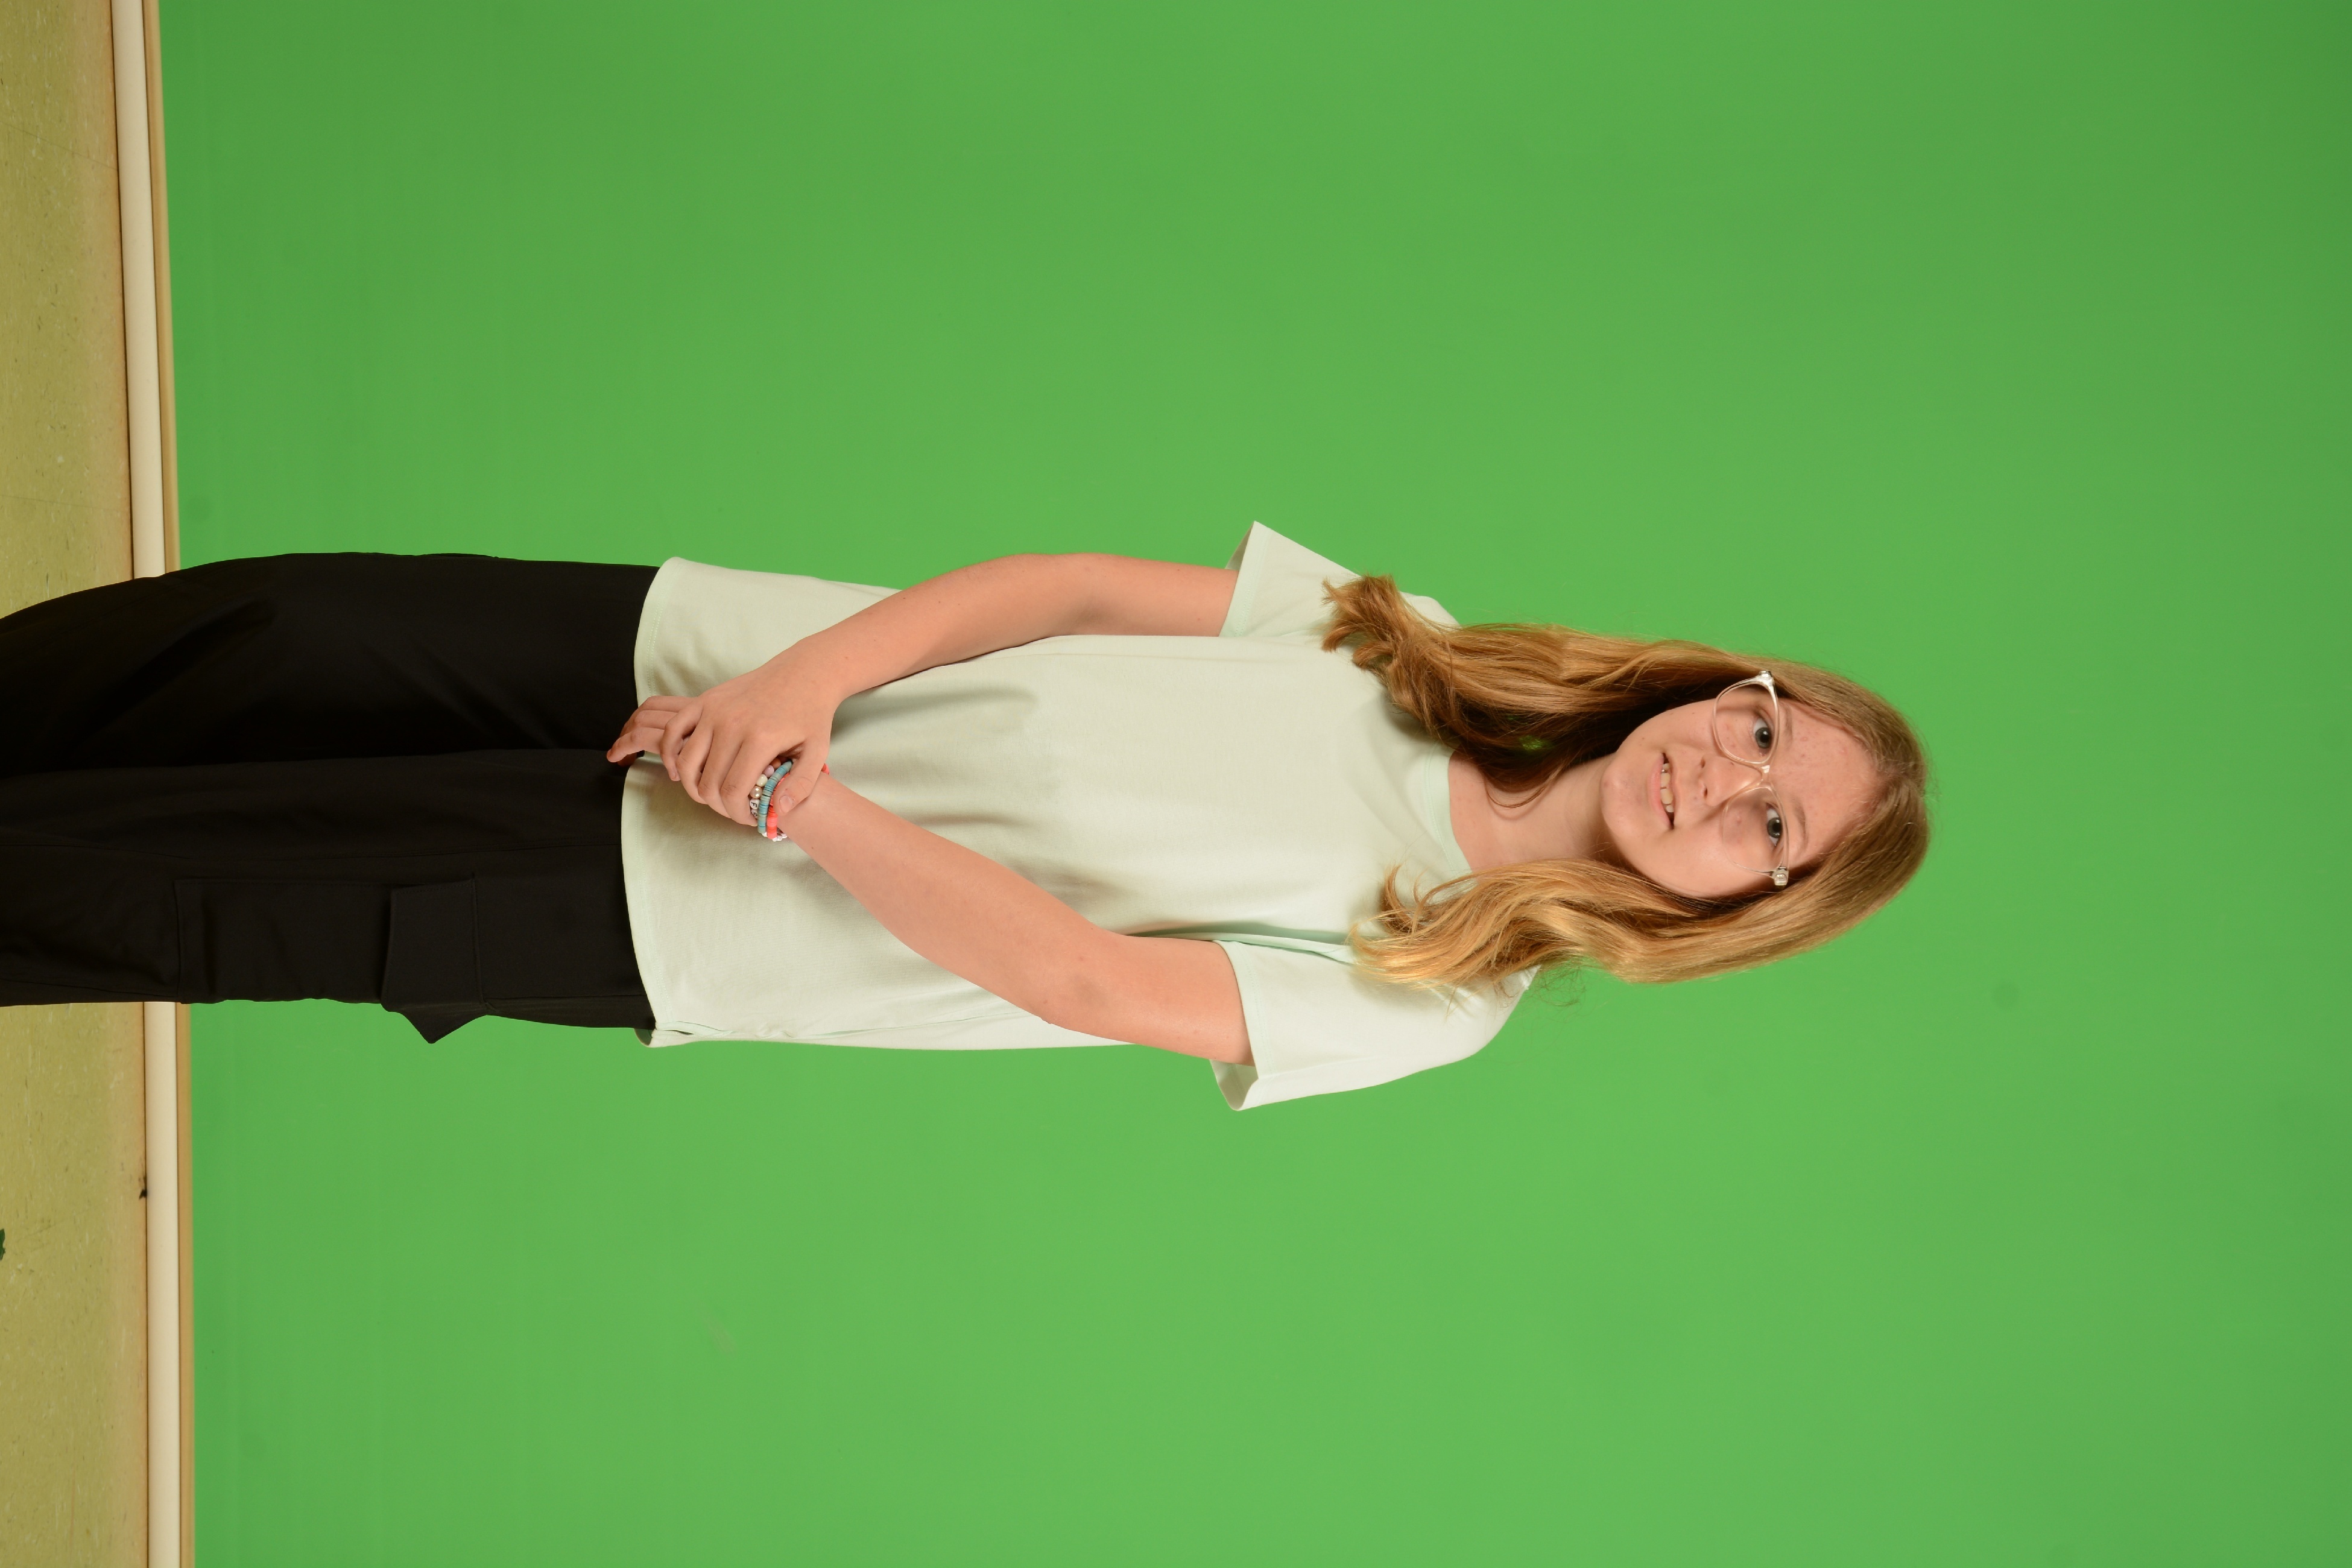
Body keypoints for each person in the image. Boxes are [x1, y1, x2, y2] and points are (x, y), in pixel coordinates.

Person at [0, 523, 1927, 1109]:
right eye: (1757, 729)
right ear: (1721, 683)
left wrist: (800, 804)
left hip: (681, 897)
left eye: (1770, 829)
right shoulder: (1408, 642)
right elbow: (1062, 588)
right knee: (264, 637)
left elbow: (1085, 981)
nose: (1724, 779)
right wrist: (795, 690)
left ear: (1744, 906)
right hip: (693, 654)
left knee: (149, 878)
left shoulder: (1435, 991)